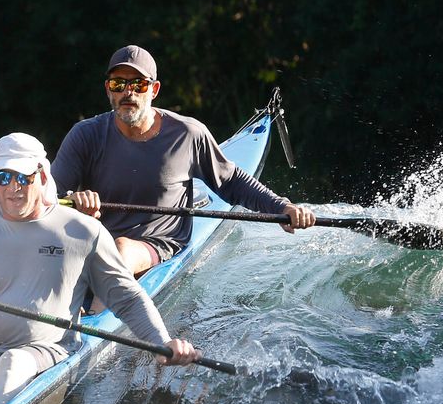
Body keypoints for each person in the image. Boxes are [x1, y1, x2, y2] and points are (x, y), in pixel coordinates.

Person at [0, 132, 200, 404]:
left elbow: (126, 298)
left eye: (22, 177)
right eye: (3, 177)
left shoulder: (82, 231)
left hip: (48, 349)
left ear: (42, 176)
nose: (12, 187)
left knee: (14, 363)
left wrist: (162, 341)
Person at [52, 44, 317, 275]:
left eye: (138, 84)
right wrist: (72, 202)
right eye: (118, 84)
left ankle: (91, 327)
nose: (127, 93)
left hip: (156, 244)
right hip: (95, 243)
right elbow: (49, 197)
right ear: (108, 90)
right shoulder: (85, 135)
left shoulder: (188, 134)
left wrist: (282, 207)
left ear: (154, 90)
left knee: (117, 252)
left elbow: (231, 182)